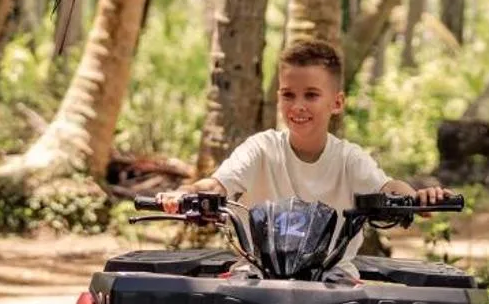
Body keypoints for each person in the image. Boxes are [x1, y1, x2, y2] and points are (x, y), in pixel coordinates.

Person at [163, 40, 448, 271]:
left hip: (332, 279)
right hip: (257, 276)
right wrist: (185, 192)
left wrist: (414, 198)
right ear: (279, 97)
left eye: (311, 95)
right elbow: (217, 184)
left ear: (336, 103)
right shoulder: (260, 148)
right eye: (289, 95)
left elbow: (387, 187)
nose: (297, 106)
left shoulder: (350, 159)